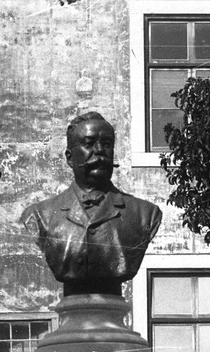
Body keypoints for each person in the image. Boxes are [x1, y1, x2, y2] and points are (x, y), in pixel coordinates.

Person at [20, 112, 162, 296]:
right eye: (89, 144)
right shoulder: (40, 215)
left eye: (107, 144)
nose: (100, 150)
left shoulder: (145, 214)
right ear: (70, 158)